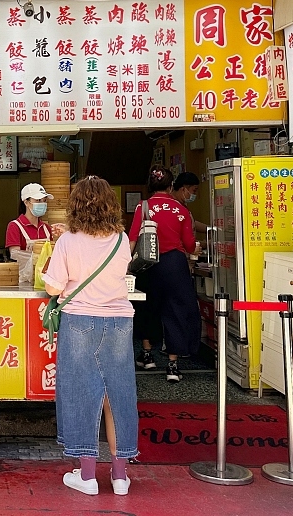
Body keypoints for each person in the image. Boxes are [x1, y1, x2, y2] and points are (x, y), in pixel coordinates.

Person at [42, 176, 137, 496]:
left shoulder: (69, 240)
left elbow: (54, 287)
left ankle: (87, 476)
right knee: (117, 395)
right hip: (120, 322)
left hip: (81, 319)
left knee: (84, 394)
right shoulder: (121, 239)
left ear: (76, 205)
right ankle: (120, 476)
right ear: (109, 204)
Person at [129, 166, 200, 381]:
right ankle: (172, 365)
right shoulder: (181, 210)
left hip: (148, 263)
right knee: (176, 310)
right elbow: (188, 244)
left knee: (146, 307)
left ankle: (147, 355)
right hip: (175, 264)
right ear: (171, 187)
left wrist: (125, 264)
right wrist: (194, 248)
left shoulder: (143, 206)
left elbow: (132, 238)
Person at [5, 183, 53, 253]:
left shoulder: (46, 228)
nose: (42, 203)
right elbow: (15, 255)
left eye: (44, 200)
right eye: (38, 200)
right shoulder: (15, 226)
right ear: (26, 202)